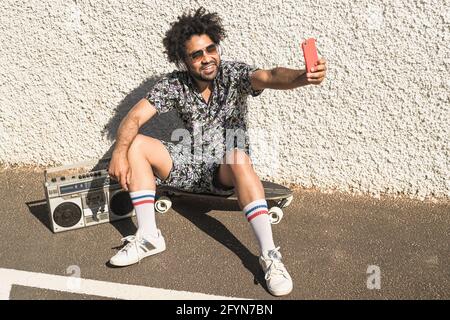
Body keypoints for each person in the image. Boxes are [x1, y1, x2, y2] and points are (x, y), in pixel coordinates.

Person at [107, 7, 326, 296]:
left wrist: (302, 76)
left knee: (238, 156)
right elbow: (134, 118)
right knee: (135, 143)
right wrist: (119, 154)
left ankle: (270, 256)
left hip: (225, 169)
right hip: (188, 163)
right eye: (196, 54)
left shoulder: (234, 74)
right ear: (183, 60)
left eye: (211, 49)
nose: (207, 58)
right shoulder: (174, 85)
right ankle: (148, 236)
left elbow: (270, 76)